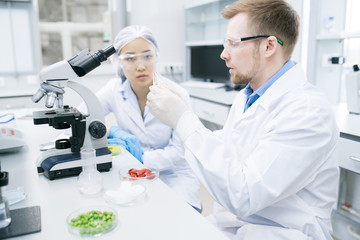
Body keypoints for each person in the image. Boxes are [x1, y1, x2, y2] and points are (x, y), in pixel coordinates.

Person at [147, 0, 339, 239]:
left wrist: (184, 121)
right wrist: (184, 121)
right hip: (234, 223)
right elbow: (233, 146)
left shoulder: (308, 111)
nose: (223, 54)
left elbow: (245, 194)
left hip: (283, 232)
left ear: (269, 46)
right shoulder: (248, 96)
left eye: (233, 44)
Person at [81, 25, 201, 212]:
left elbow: (180, 153)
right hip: (131, 172)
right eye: (130, 58)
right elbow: (81, 116)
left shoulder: (177, 94)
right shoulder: (113, 90)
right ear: (118, 62)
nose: (141, 66)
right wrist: (108, 132)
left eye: (147, 56)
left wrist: (141, 157)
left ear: (157, 56)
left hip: (174, 175)